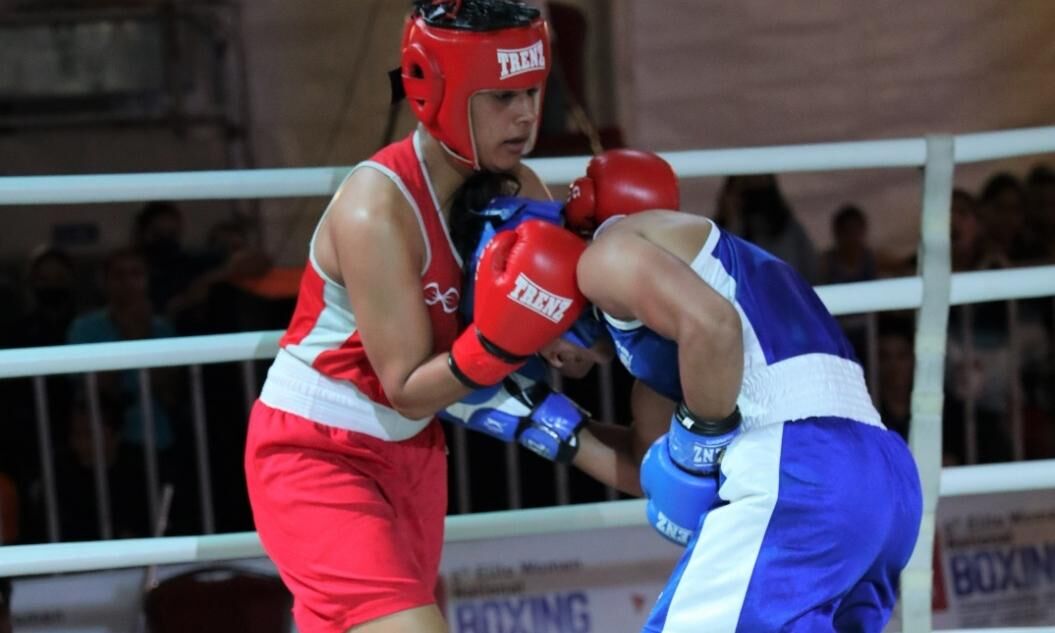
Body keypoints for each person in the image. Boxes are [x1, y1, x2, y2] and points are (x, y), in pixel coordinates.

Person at [448, 149, 923, 632]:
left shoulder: (607, 255)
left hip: (803, 472)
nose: (548, 360)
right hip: (882, 483)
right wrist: (536, 418)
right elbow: (652, 469)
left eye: (529, 336)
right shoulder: (670, 330)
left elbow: (716, 330)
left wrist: (700, 444)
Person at [243, 2, 588, 632]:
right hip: (318, 453)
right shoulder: (376, 207)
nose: (526, 116)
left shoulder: (520, 187)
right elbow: (405, 387)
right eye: (502, 97)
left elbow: (570, 343)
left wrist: (577, 325)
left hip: (414, 455)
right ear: (439, 92)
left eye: (533, 93)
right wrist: (508, 340)